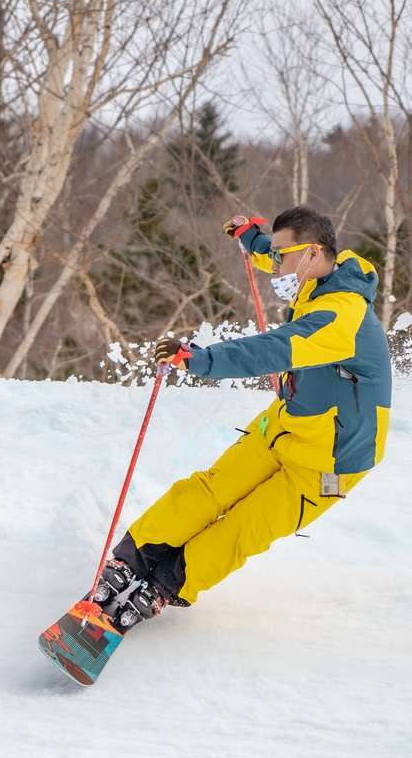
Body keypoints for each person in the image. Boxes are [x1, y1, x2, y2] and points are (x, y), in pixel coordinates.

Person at [95, 205, 393, 631]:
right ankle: (130, 560)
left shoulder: (342, 315)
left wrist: (204, 360)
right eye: (275, 256)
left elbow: (277, 347)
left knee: (241, 528)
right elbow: (270, 253)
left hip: (328, 462)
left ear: (313, 254)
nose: (277, 268)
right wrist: (249, 236)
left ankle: (163, 585)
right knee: (207, 490)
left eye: (284, 257)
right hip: (285, 427)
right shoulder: (319, 274)